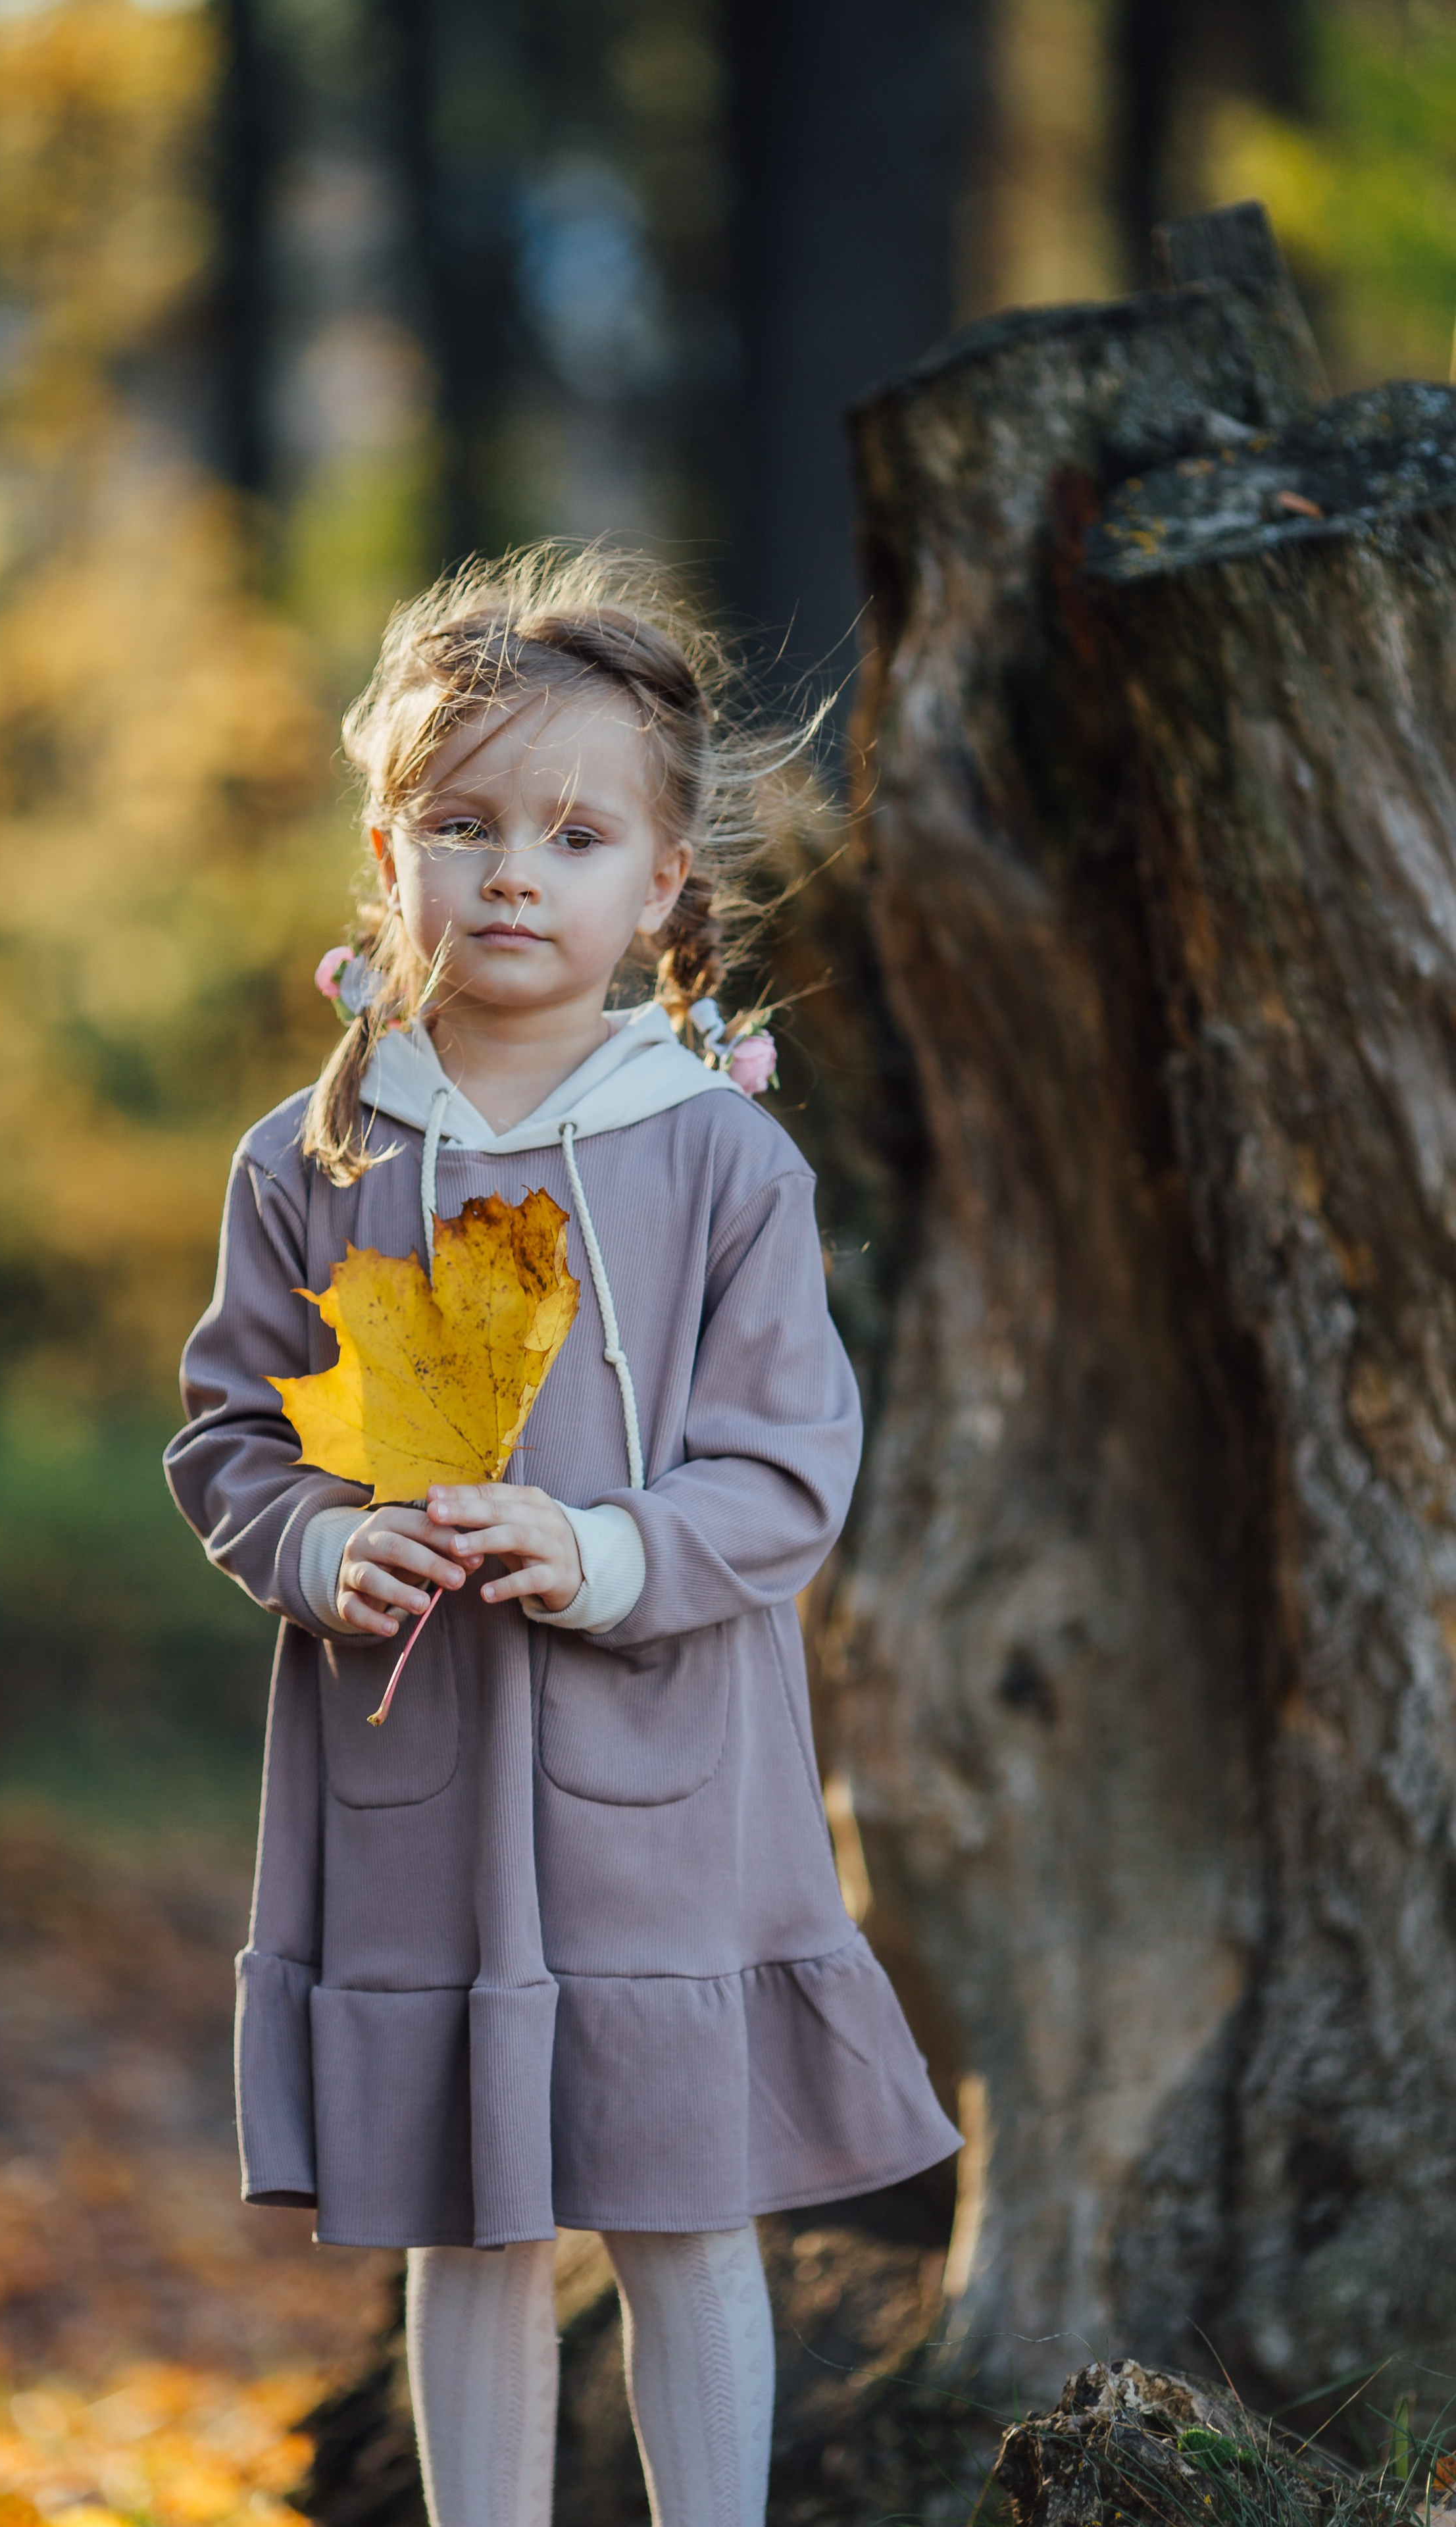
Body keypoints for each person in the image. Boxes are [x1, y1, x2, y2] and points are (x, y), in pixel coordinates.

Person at [166, 546, 960, 2527]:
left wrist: (610, 1555)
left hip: (664, 1792)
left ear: (663, 883)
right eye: (466, 825)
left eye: (576, 833)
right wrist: (311, 1550)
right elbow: (232, 1436)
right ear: (389, 848)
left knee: (687, 2215)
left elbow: (787, 1465)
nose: (515, 872)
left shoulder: (721, 1157)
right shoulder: (316, 1157)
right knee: (475, 2224)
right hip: (415, 1786)